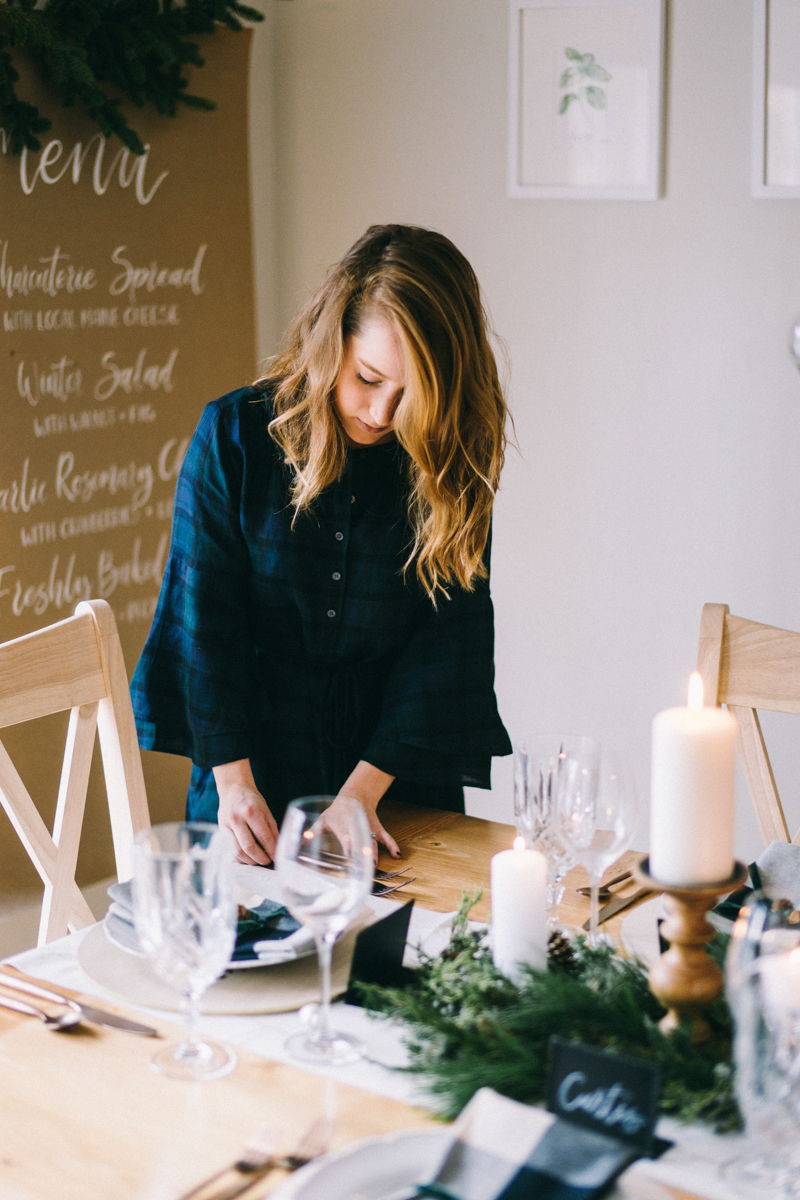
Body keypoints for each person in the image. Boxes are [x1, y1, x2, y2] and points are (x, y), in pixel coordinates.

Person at [131, 224, 512, 866]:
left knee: (410, 963)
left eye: (413, 392)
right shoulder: (234, 438)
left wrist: (361, 796)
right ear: (331, 341)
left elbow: (446, 648)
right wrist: (233, 784)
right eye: (368, 378)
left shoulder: (452, 458)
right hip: (246, 781)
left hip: (396, 786)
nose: (384, 413)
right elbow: (205, 627)